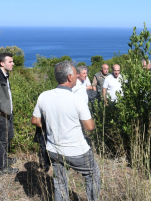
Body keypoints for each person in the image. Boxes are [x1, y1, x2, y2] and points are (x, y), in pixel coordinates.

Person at [31, 61, 100, 201]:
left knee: (60, 182)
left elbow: (35, 121)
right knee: (93, 174)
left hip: (54, 150)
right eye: (75, 74)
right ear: (69, 77)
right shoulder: (77, 99)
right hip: (77, 150)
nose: (76, 77)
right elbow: (89, 127)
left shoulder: (44, 96)